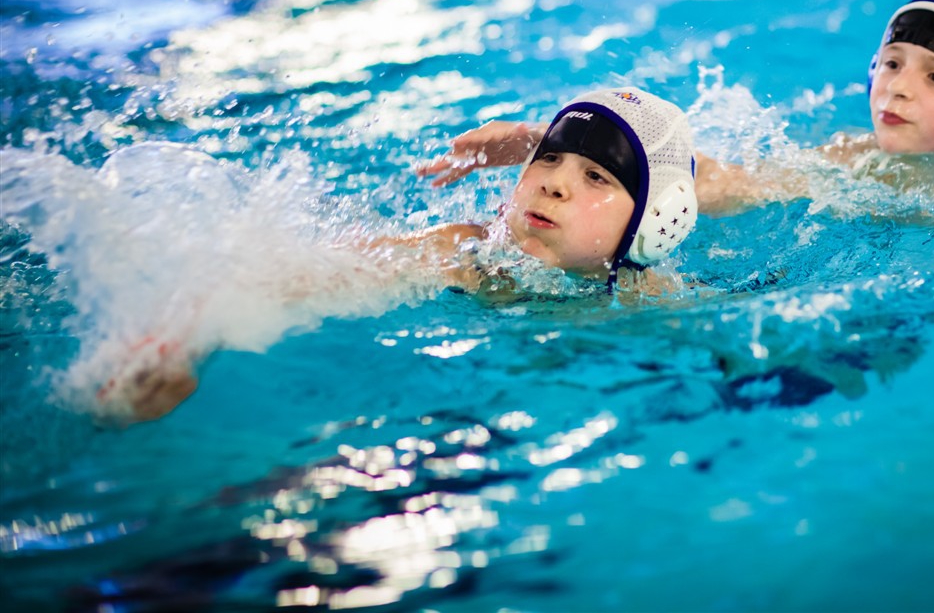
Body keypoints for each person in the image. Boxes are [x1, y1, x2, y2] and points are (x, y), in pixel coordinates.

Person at [96, 86, 699, 422]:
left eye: (596, 177)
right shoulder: (469, 256)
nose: (555, 184)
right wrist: (185, 341)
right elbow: (306, 273)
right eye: (547, 159)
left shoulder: (659, 301)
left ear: (655, 224)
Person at [419, 0, 934, 216]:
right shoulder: (848, 162)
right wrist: (544, 142)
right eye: (891, 63)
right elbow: (713, 182)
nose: (899, 86)